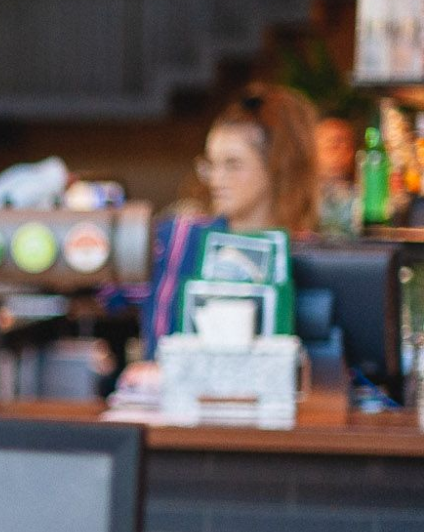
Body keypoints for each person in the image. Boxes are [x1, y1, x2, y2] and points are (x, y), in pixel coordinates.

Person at [133, 85, 319, 365]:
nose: (216, 179)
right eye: (211, 164)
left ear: (278, 166)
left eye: (233, 164)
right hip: (171, 391)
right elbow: (107, 290)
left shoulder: (306, 253)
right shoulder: (178, 237)